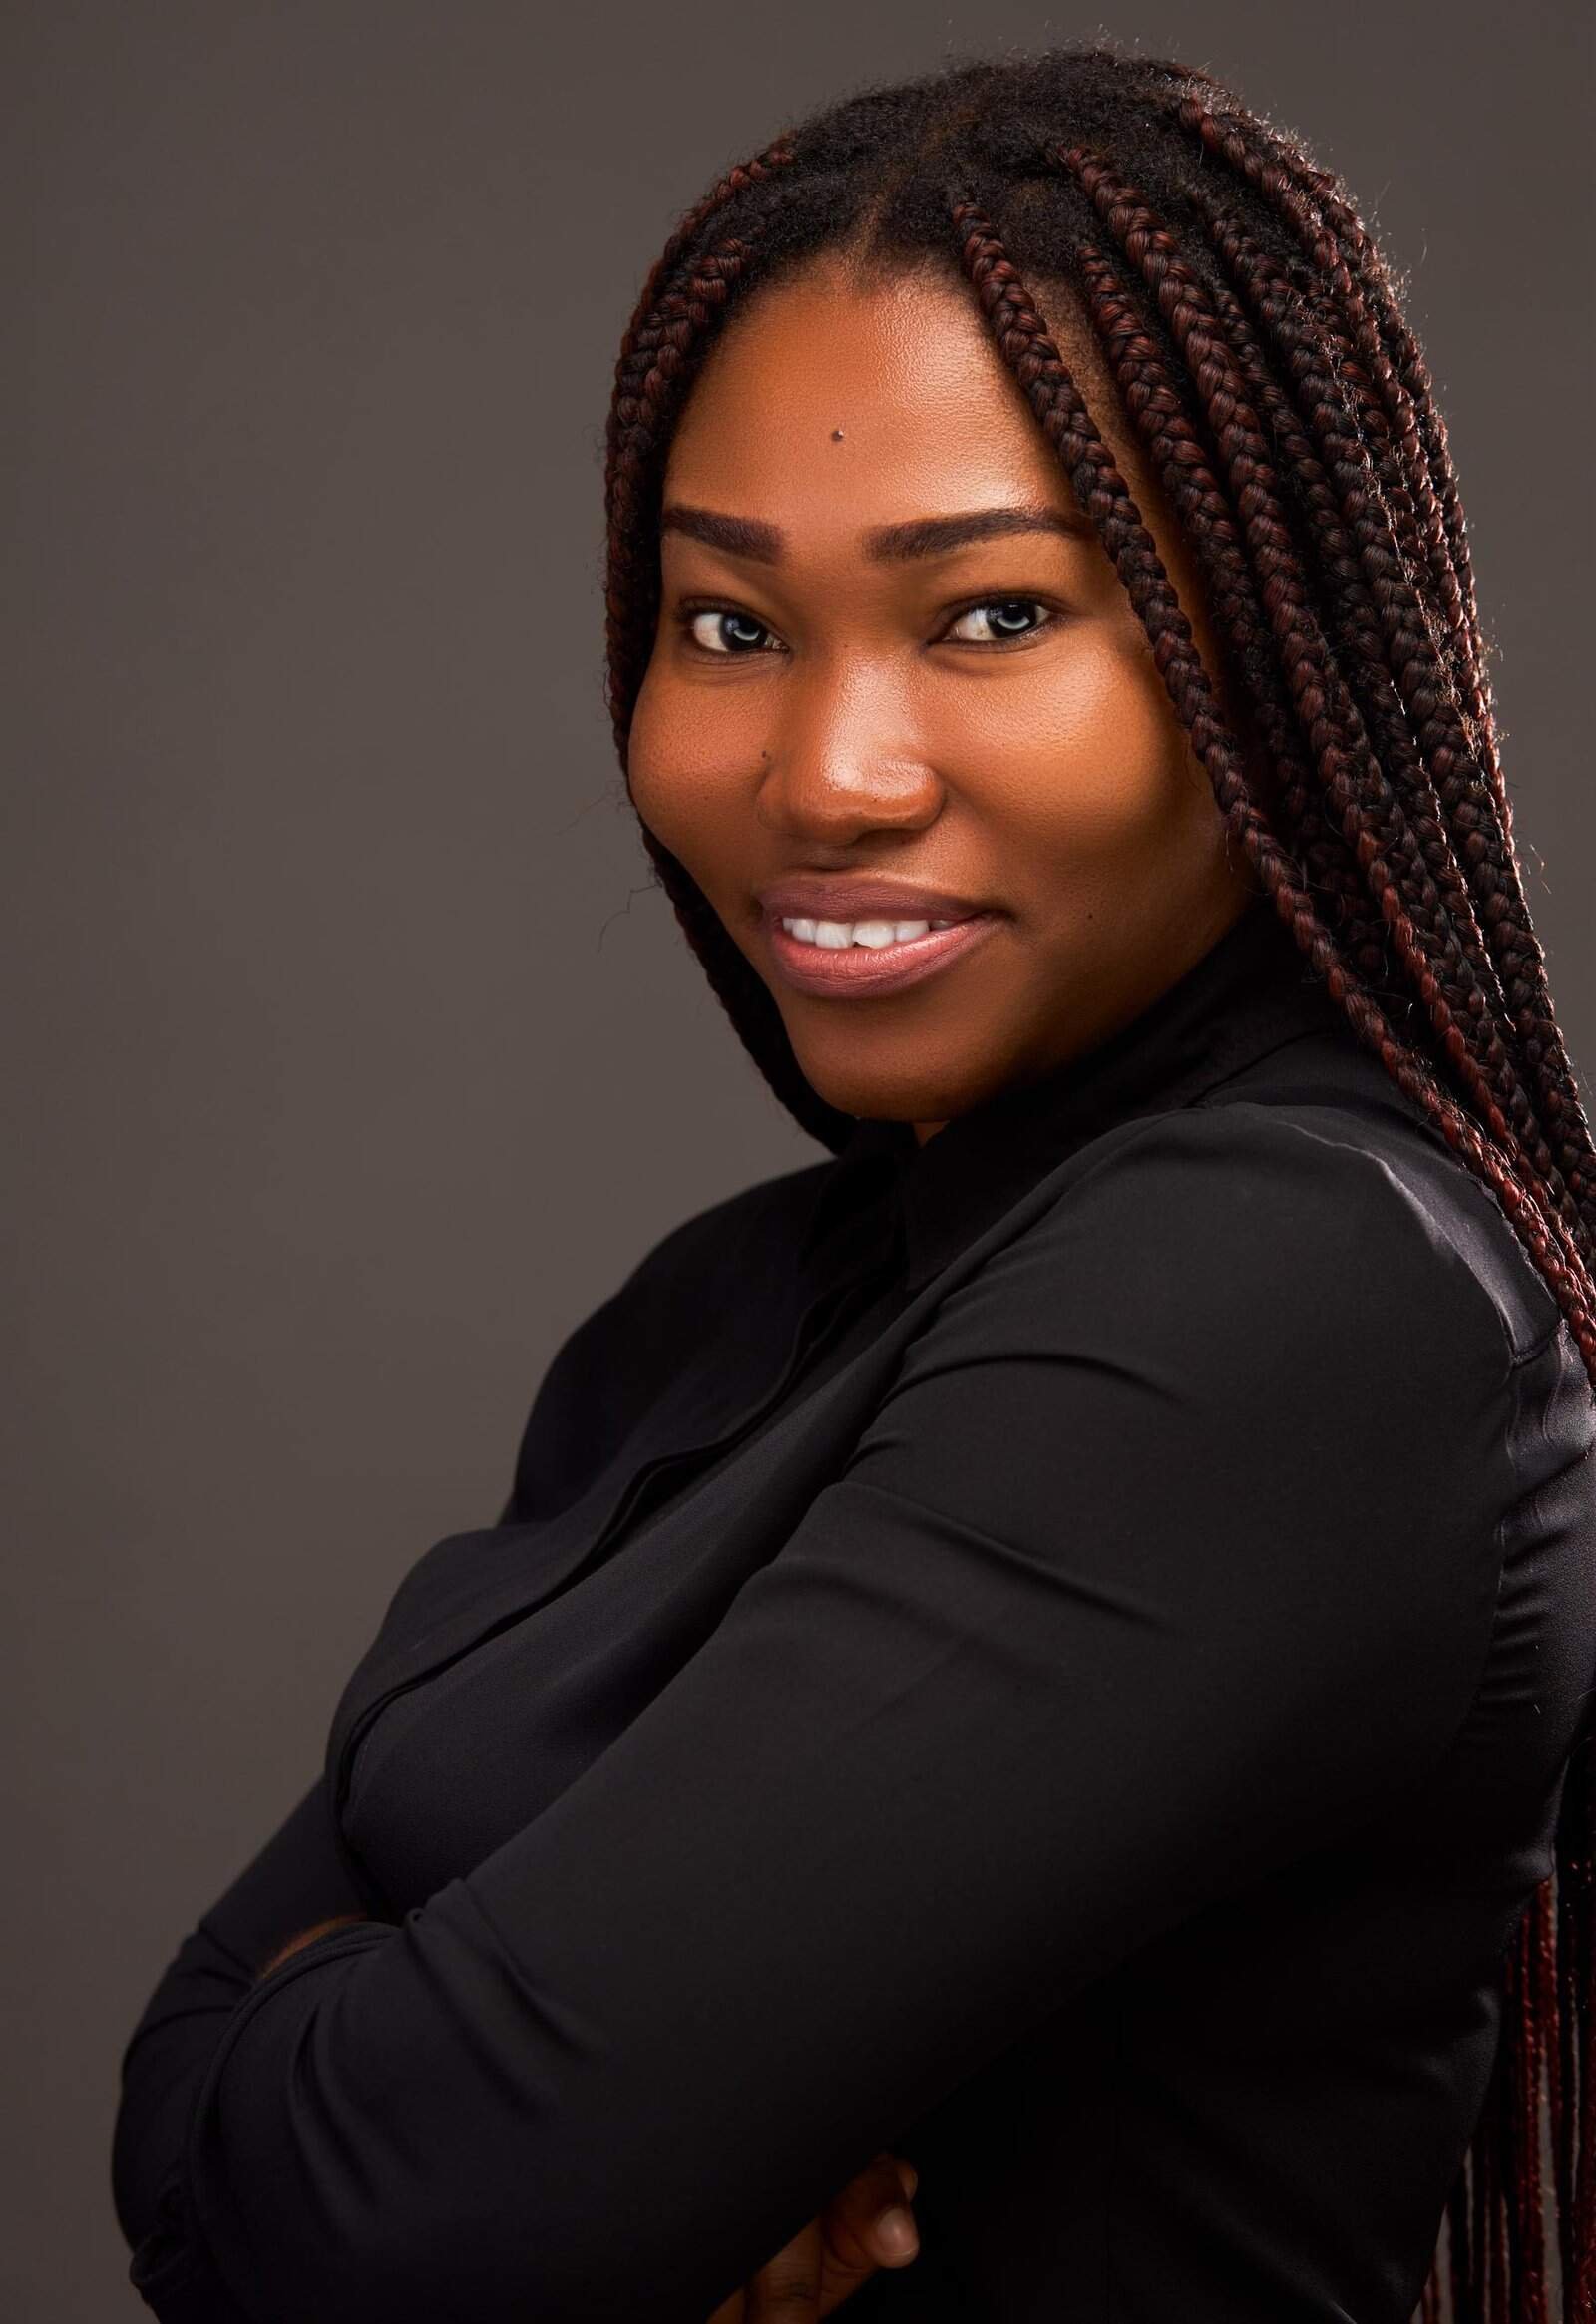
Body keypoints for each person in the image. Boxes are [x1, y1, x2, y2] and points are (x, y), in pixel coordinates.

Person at [112, 42, 1596, 2324]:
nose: (823, 774)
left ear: (1278, 652)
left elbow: (382, 2230)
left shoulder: (1297, 1303)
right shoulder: (716, 1320)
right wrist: (418, 2100)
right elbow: (223, 2138)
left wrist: (352, 2032)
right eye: (729, 624)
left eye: (991, 613)